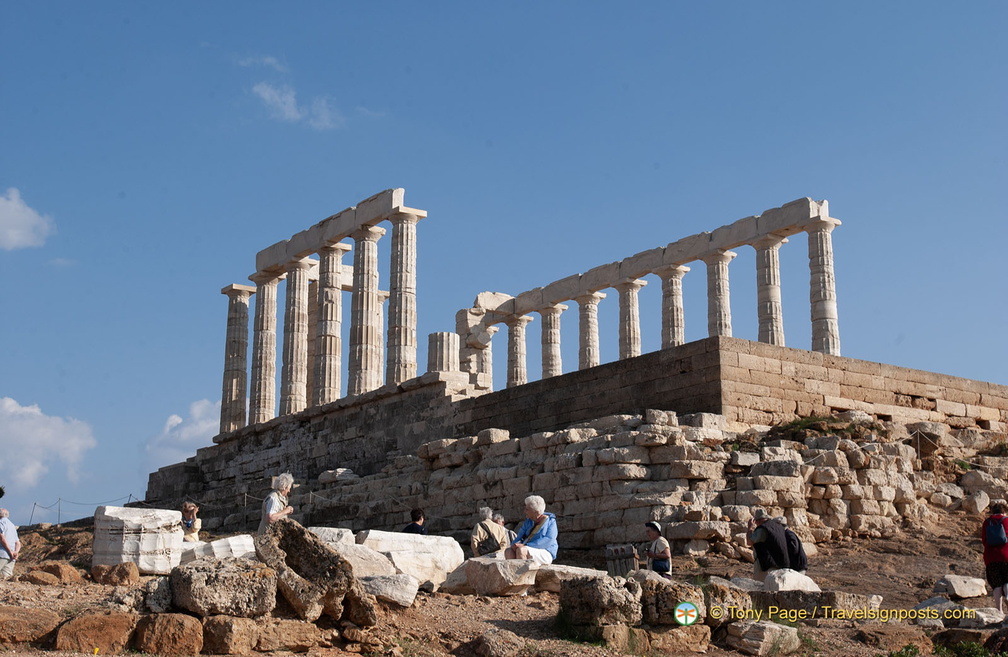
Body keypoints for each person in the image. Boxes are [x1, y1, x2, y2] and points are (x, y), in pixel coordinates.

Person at [505, 495, 558, 565]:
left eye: (527, 509)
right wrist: (514, 545)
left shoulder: (550, 521)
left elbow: (549, 539)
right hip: (528, 547)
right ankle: (513, 575)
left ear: (535, 511)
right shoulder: (528, 521)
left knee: (522, 550)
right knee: (509, 551)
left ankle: (523, 575)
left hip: (545, 551)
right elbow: (520, 536)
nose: (524, 511)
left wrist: (527, 545)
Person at [746, 507, 789, 582]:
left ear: (757, 521)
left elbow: (749, 542)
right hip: (781, 563)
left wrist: (750, 528)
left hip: (768, 565)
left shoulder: (762, 529)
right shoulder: (777, 526)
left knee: (760, 587)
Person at [982, 501, 1008, 612]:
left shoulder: (987, 522)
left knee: (997, 584)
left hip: (991, 557)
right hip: (1006, 555)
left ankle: (999, 610)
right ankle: (1007, 596)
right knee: (1007, 581)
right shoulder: (1007, 521)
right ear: (1004, 511)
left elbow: (984, 540)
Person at [0, 508, 21, 580]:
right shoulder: (12, 525)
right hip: (12, 557)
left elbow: (2, 538)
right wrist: (16, 552)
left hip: (2, 553)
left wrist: (9, 551)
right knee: (6, 578)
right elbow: (17, 542)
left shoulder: (1, 523)